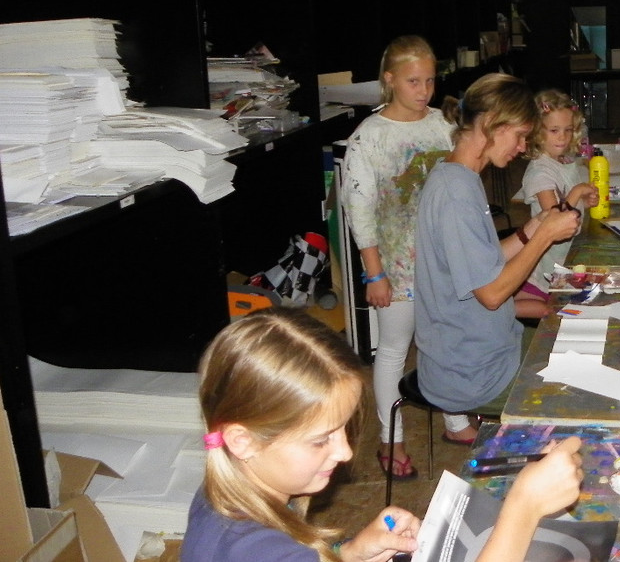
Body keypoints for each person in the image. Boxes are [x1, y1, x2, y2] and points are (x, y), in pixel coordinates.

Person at [181, 308, 585, 562]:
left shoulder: (223, 497)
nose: (344, 452)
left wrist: (349, 554)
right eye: (321, 439)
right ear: (243, 441)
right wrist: (524, 507)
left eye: (344, 429)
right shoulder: (259, 551)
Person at [339, 36, 475, 482]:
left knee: (447, 342)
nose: (424, 90)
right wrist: (374, 273)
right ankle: (390, 439)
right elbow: (360, 210)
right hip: (396, 266)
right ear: (390, 80)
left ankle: (455, 418)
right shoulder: (370, 136)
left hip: (444, 262)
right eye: (413, 81)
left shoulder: (443, 126)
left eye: (430, 81)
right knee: (395, 349)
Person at [414, 73, 582, 422]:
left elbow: (483, 262)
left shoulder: (460, 176)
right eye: (519, 135)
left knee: (581, 349)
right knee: (582, 393)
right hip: (472, 376)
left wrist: (531, 229)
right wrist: (544, 237)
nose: (521, 147)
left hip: (490, 352)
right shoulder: (456, 194)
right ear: (491, 123)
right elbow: (491, 294)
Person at [516, 89, 598, 317]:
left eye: (568, 130)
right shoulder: (540, 172)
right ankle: (500, 310)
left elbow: (569, 203)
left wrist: (584, 201)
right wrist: (576, 192)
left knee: (565, 301)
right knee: (550, 308)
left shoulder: (564, 162)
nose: (562, 137)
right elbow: (555, 219)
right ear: (537, 131)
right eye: (554, 130)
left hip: (565, 252)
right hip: (547, 256)